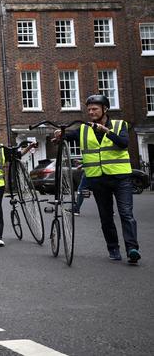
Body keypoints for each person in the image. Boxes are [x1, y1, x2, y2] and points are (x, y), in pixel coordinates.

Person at [55, 94, 141, 264]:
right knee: (106, 216)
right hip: (98, 179)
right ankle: (113, 248)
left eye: (94, 109)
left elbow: (124, 143)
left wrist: (107, 132)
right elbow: (67, 136)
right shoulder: (84, 129)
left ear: (105, 109)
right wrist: (60, 134)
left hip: (120, 177)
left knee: (126, 214)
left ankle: (132, 248)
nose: (91, 112)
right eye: (89, 110)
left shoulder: (119, 125)